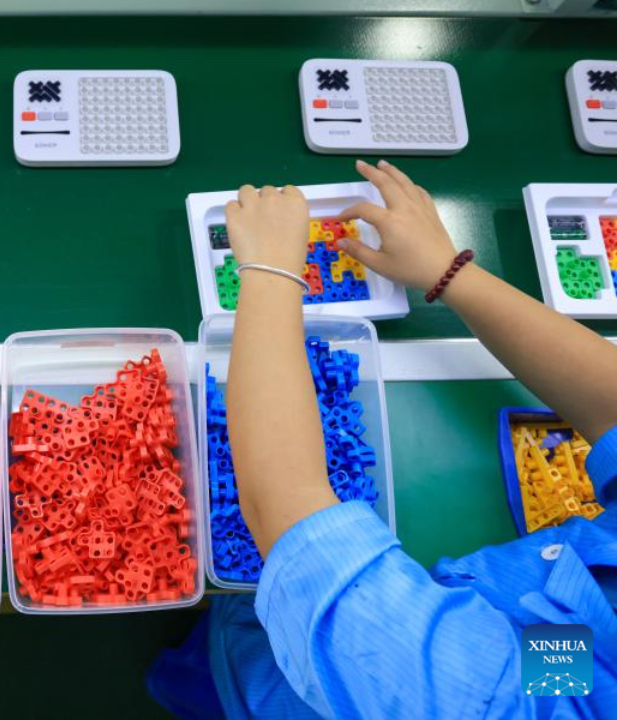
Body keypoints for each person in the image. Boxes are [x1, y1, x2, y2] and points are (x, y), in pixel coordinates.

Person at [149, 160, 616, 719]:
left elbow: (290, 514)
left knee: (227, 669)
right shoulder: (566, 676)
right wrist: (449, 272)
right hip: (567, 652)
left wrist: (271, 273)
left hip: (282, 676)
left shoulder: (477, 699)